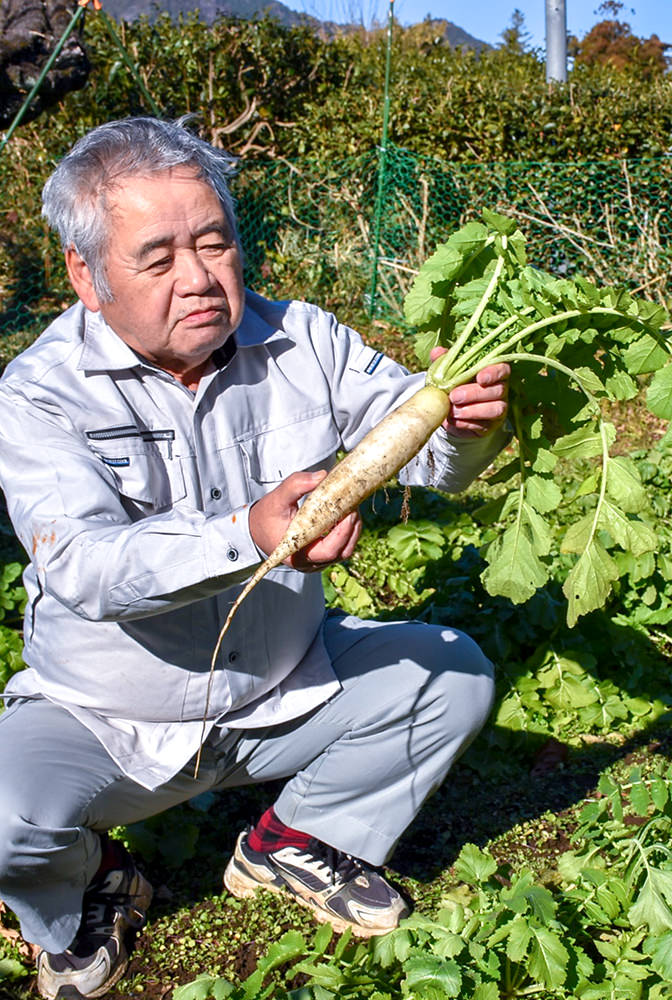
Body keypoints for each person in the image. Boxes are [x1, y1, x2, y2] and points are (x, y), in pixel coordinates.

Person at [0, 116, 510, 1000]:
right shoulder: (38, 395)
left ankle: (295, 839)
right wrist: (249, 533)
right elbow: (83, 567)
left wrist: (464, 424)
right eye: (157, 259)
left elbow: (428, 456)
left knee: (451, 675)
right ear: (86, 275)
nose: (199, 277)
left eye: (215, 243)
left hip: (283, 684)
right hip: (106, 718)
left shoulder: (303, 341)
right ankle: (85, 886)